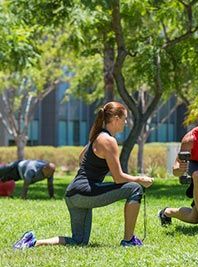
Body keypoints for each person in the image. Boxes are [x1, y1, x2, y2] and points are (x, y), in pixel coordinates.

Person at [12, 102, 155, 249]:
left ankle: (32, 241)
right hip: (83, 193)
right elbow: (118, 178)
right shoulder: (109, 141)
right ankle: (129, 240)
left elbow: (81, 160)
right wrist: (140, 179)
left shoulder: (96, 137)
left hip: (73, 194)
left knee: (79, 241)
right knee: (135, 188)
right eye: (125, 119)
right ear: (116, 119)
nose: (126, 122)